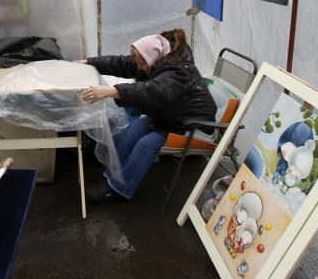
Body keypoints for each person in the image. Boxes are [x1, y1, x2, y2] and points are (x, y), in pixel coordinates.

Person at [76, 28, 216, 202]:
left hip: (190, 123)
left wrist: (112, 91)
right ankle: (111, 177)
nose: (140, 68)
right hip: (169, 116)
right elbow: (123, 63)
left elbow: (154, 91)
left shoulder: (180, 71)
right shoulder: (157, 59)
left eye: (142, 64)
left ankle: (118, 188)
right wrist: (89, 62)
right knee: (130, 133)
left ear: (153, 58)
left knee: (145, 144)